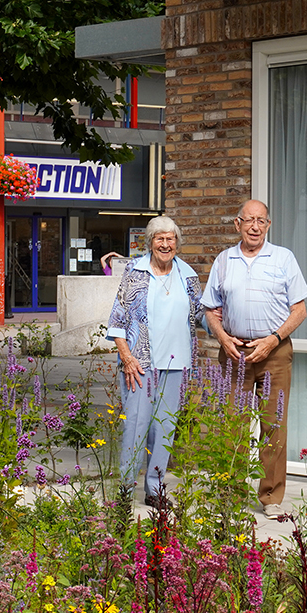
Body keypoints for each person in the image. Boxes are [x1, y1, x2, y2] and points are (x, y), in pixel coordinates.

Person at [201, 199, 307, 520]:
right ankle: (230, 495)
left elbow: (299, 310)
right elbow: (210, 308)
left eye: (260, 221)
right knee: (230, 425)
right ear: (237, 224)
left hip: (274, 353)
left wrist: (274, 339)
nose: (254, 226)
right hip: (235, 352)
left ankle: (271, 497)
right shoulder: (224, 260)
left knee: (273, 425)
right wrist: (221, 337)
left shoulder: (283, 259)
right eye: (248, 220)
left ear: (268, 225)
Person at [106, 216, 202, 509]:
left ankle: (155, 490)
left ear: (177, 242)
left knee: (165, 428)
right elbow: (117, 319)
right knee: (136, 426)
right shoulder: (135, 272)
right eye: (159, 238)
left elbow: (202, 315)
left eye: (170, 238)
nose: (165, 244)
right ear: (149, 242)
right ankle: (124, 491)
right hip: (141, 363)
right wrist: (126, 357)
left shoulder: (187, 275)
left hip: (177, 362)